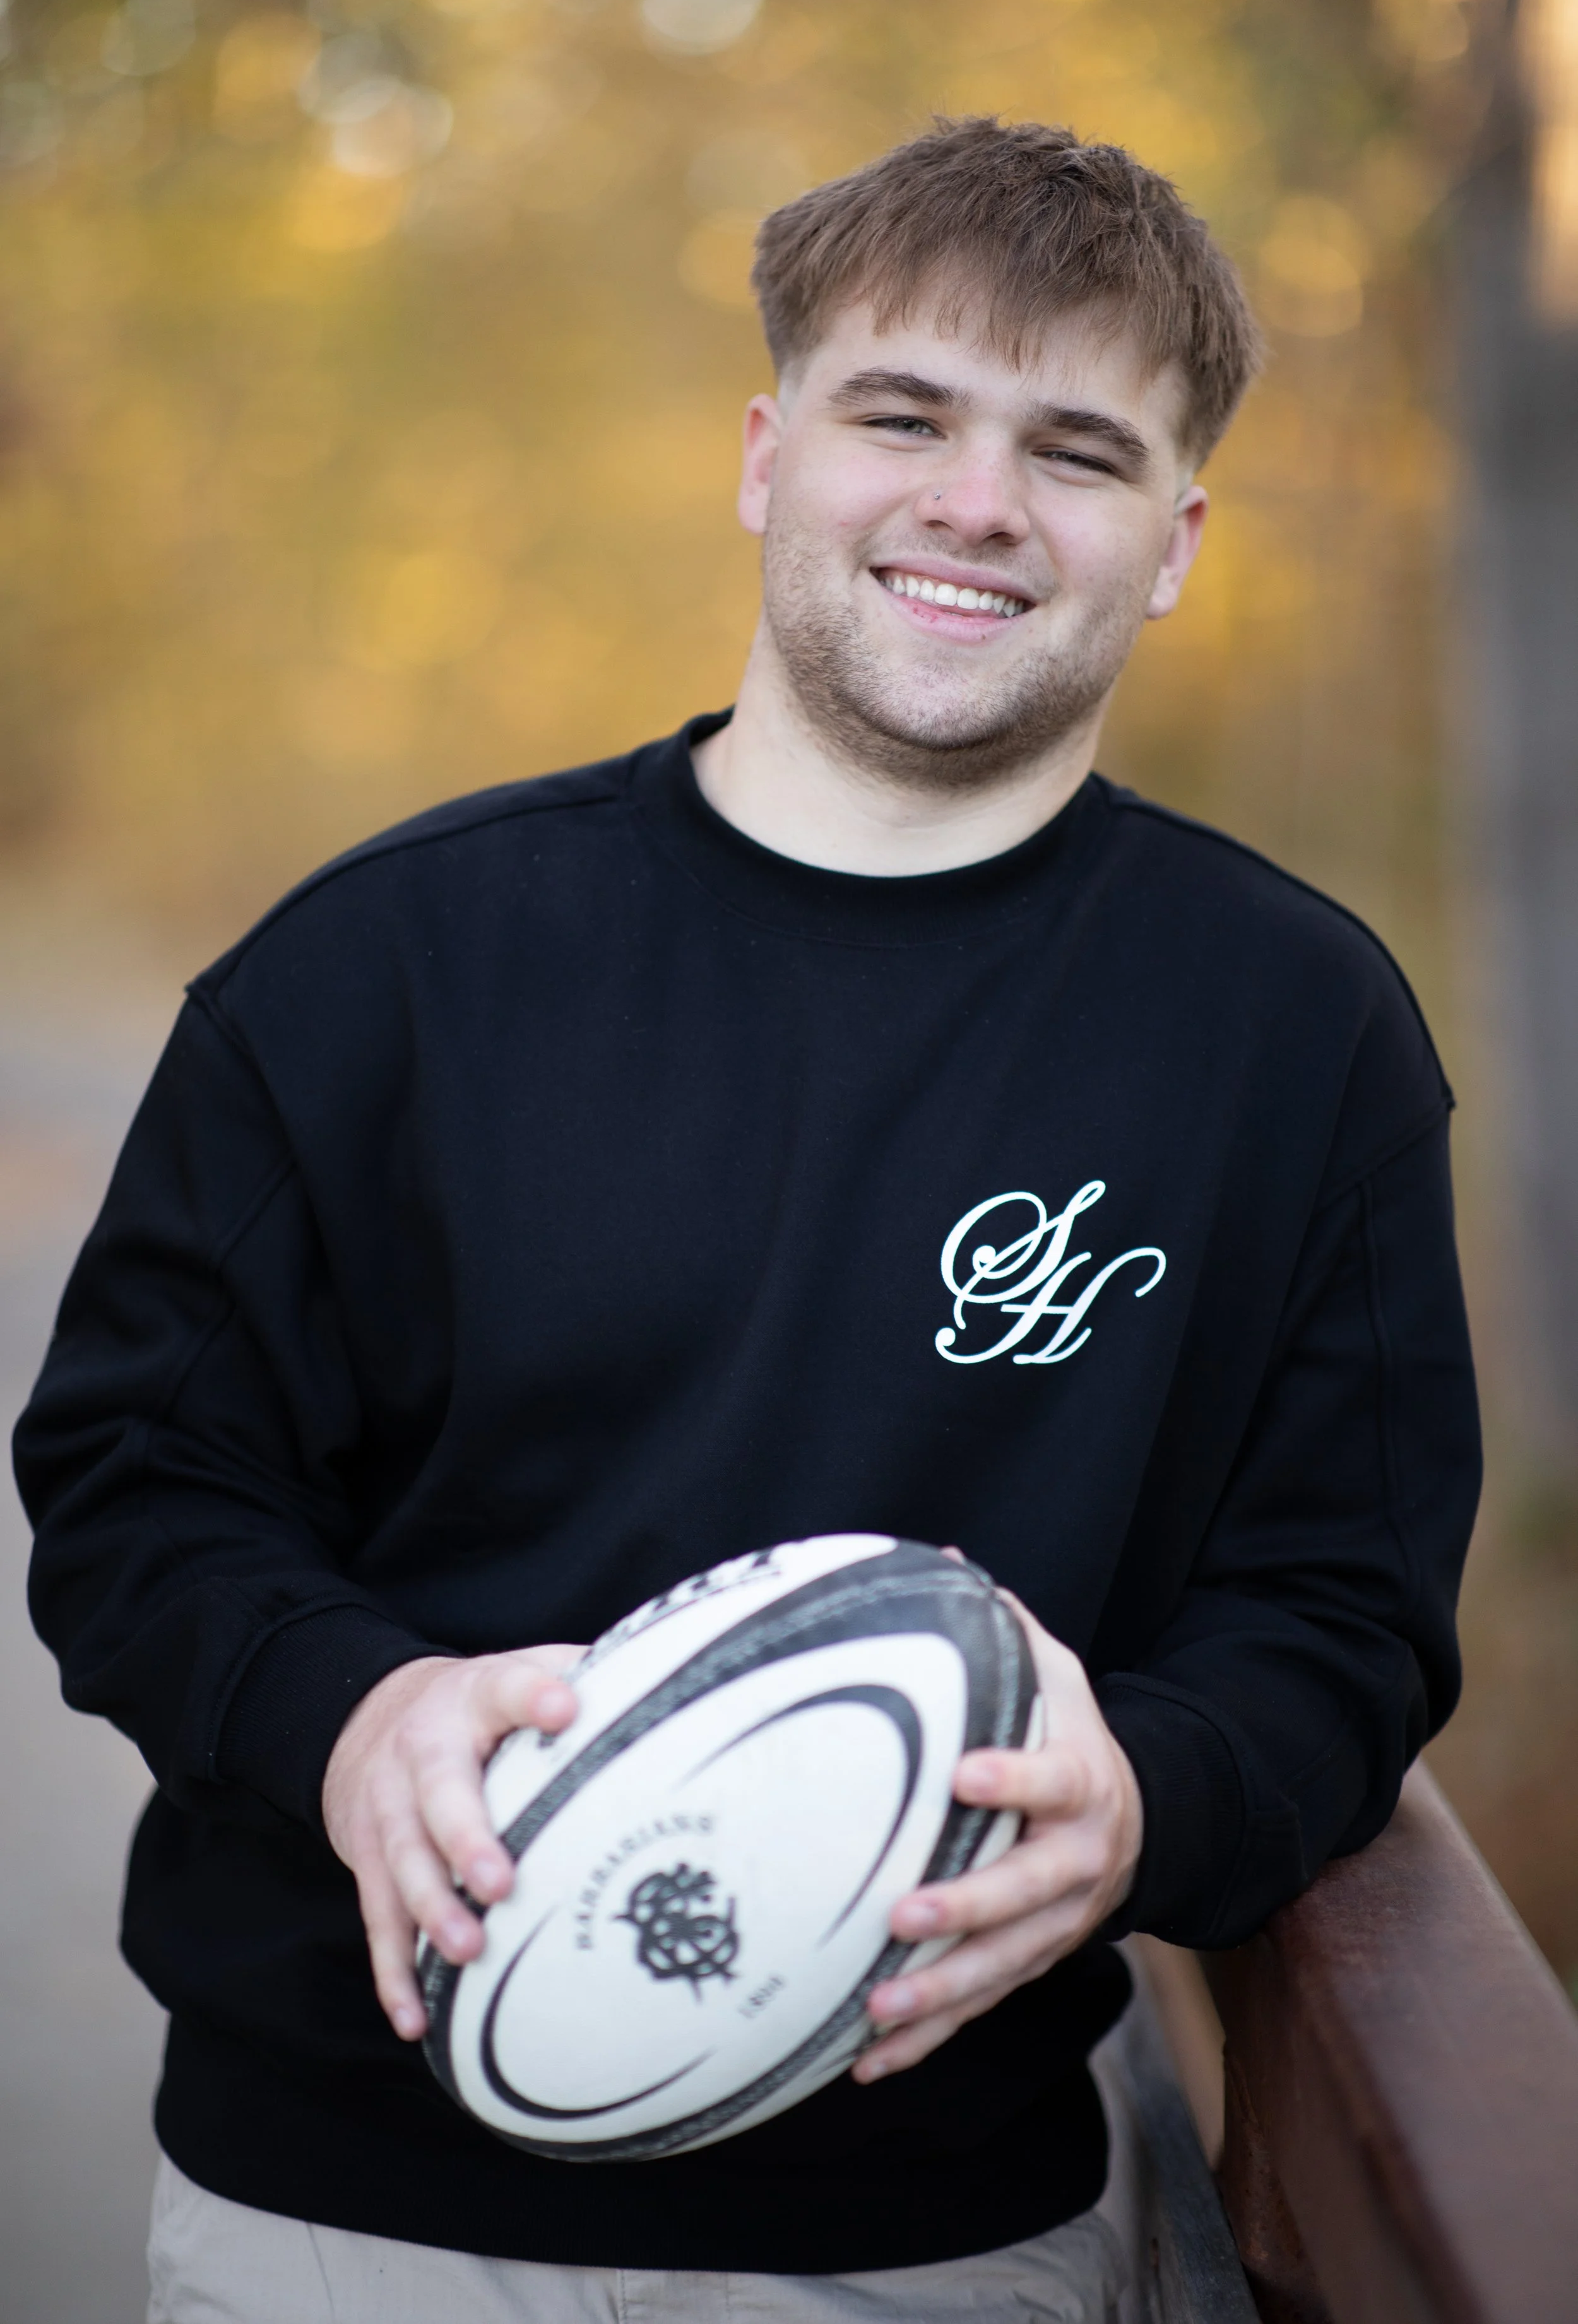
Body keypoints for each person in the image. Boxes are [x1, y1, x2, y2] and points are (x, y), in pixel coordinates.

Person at [15, 117, 1480, 2324]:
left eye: (1072, 451)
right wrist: (344, 1708)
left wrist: (1154, 1795)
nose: (975, 501)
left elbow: (1340, 1615)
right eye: (903, 414)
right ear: (764, 454)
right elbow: (134, 1491)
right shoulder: (384, 964)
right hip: (342, 2219)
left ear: (1171, 543)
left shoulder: (1290, 1032)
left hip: (937, 2236)